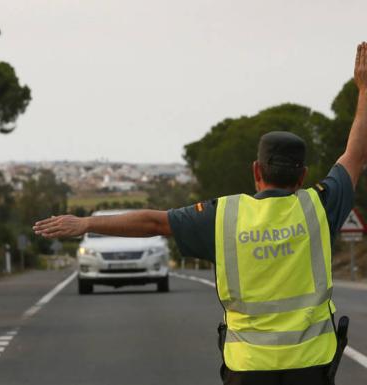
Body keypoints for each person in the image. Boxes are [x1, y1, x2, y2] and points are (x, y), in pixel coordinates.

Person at [33, 42, 367, 385]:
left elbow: (153, 222)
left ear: (256, 171)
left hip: (247, 370)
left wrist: (86, 222)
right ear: (302, 176)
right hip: (311, 369)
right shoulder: (319, 206)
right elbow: (355, 152)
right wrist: (364, 89)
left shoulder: (223, 216)